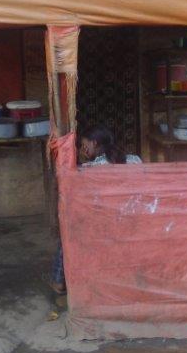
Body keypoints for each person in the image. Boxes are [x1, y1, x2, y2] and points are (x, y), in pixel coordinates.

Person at [50, 124, 142, 294]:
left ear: (94, 143)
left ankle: (59, 282)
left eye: (85, 146)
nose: (83, 150)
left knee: (68, 235)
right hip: (129, 220)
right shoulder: (133, 160)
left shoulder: (90, 170)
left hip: (103, 223)